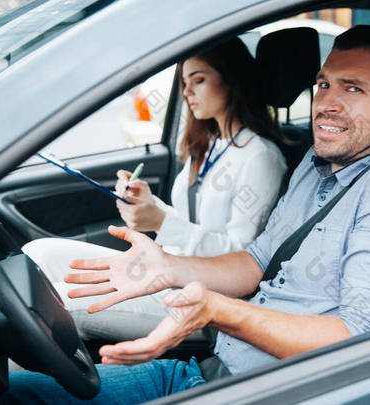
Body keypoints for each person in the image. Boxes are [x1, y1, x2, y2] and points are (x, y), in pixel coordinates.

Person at [0, 25, 370, 403]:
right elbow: (256, 260)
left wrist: (217, 312)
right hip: (209, 370)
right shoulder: (317, 167)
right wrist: (168, 266)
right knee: (2, 393)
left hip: (262, 391)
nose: (325, 102)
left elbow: (361, 338)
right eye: (323, 83)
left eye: (352, 88)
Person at [21, 37, 288, 341]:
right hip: (167, 270)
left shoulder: (260, 157)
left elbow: (243, 258)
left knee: (52, 306)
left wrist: (161, 222)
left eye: (198, 80)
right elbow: (192, 223)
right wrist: (149, 205)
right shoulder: (211, 143)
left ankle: (16, 387)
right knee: (39, 252)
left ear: (231, 80)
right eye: (184, 82)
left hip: (204, 296)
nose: (186, 92)